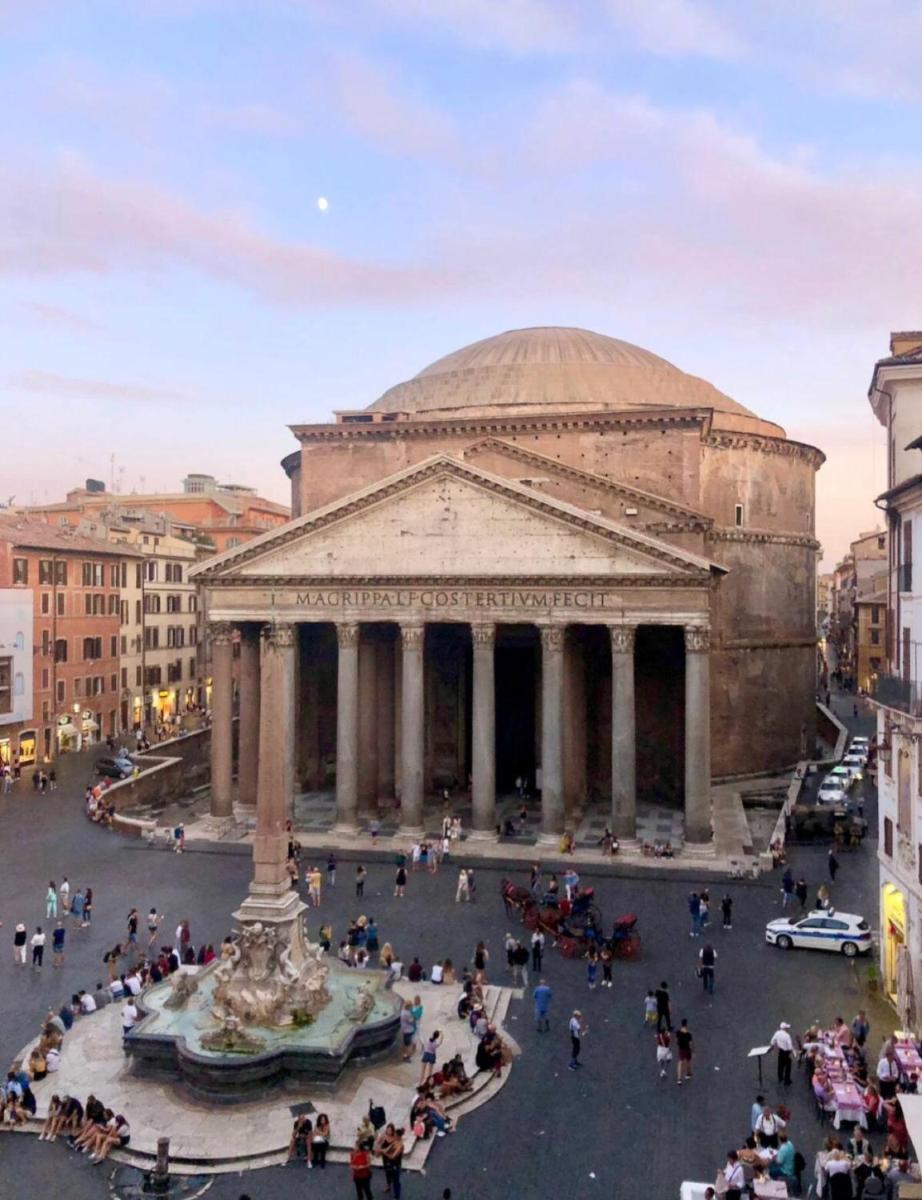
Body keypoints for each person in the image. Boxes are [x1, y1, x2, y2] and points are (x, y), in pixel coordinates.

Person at [770, 1021, 794, 1085]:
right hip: (786, 1052)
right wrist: (792, 1052)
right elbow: (790, 1047)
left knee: (780, 1065)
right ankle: (787, 1080)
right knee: (788, 1065)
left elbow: (772, 1041)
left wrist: (773, 1046)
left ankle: (780, 1077)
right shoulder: (787, 1035)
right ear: (785, 1028)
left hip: (780, 1051)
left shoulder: (777, 1033)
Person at [676, 1018, 693, 1084]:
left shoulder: (678, 1032)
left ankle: (679, 1079)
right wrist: (693, 1051)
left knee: (680, 1062)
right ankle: (688, 1073)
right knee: (688, 1061)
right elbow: (690, 1043)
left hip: (681, 1049)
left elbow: (677, 1041)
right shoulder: (689, 1034)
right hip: (687, 1049)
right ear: (686, 1024)